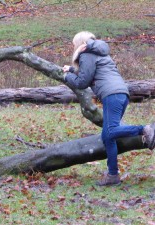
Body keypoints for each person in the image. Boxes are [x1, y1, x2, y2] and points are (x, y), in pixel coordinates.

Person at [62, 31, 155, 186]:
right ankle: (112, 176)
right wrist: (71, 71)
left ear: (79, 43)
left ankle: (145, 129)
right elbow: (91, 73)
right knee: (108, 136)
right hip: (120, 94)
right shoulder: (98, 52)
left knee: (111, 131)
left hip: (112, 95)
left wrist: (67, 77)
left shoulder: (86, 54)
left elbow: (82, 82)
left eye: (74, 45)